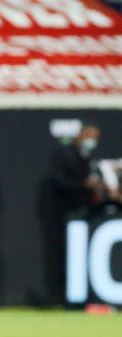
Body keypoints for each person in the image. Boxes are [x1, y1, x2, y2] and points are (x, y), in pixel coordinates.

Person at [45, 124, 110, 305]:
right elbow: (58, 180)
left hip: (85, 213)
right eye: (90, 135)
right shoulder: (65, 153)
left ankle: (81, 298)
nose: (93, 140)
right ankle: (63, 298)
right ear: (81, 134)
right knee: (65, 257)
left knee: (82, 257)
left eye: (95, 137)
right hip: (65, 213)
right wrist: (83, 184)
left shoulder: (87, 155)